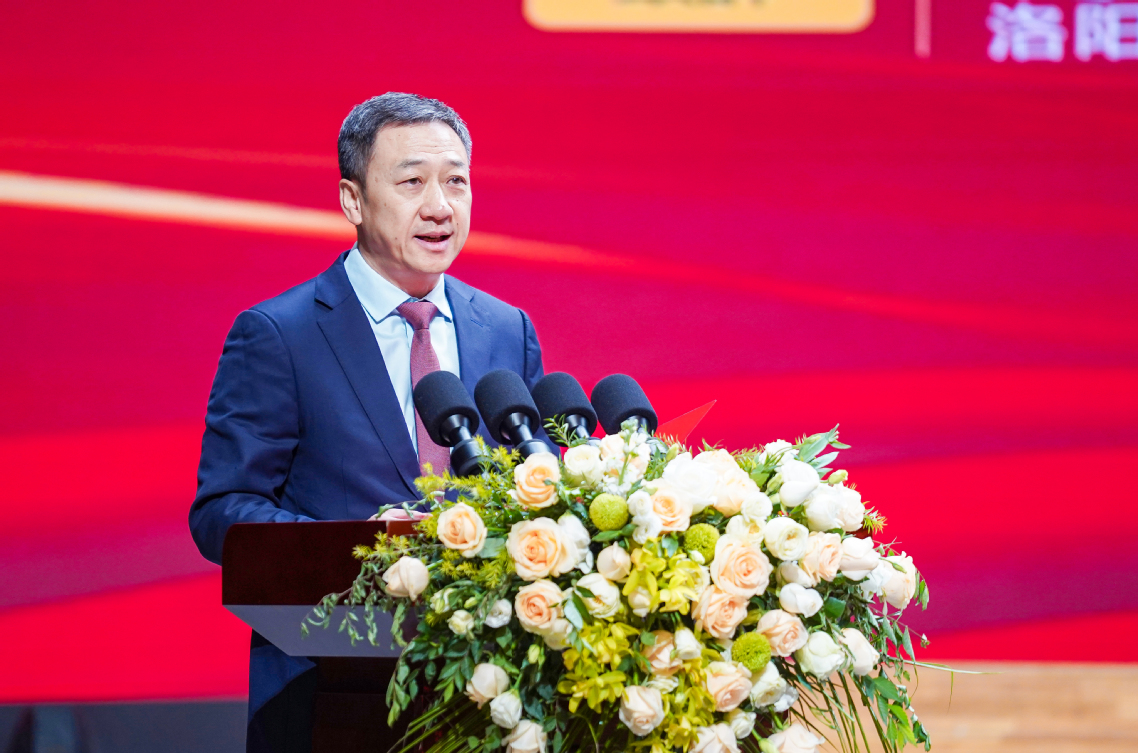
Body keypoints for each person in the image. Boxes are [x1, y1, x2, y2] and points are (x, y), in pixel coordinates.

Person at [188, 93, 545, 753]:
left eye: (456, 181)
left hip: (489, 699)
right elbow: (222, 512)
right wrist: (366, 551)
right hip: (329, 698)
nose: (439, 206)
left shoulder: (505, 328)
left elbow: (534, 485)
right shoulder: (279, 334)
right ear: (352, 200)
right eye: (412, 182)